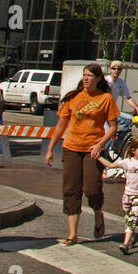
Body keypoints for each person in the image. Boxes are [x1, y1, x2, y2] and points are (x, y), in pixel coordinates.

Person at [44, 64, 120, 245]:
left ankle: (98, 212)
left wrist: (100, 144)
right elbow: (61, 125)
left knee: (91, 188)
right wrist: (50, 149)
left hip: (92, 149)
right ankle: (72, 234)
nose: (86, 78)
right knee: (71, 189)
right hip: (71, 147)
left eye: (90, 76)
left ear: (98, 78)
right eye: (84, 75)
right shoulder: (73, 97)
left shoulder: (106, 99)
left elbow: (113, 127)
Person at [104, 61, 138, 159]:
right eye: (114, 68)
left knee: (129, 120)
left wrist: (137, 108)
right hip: (103, 113)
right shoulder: (105, 81)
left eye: (119, 69)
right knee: (108, 134)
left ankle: (116, 145)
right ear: (110, 70)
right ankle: (104, 158)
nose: (116, 71)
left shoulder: (121, 82)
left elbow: (128, 98)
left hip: (112, 112)